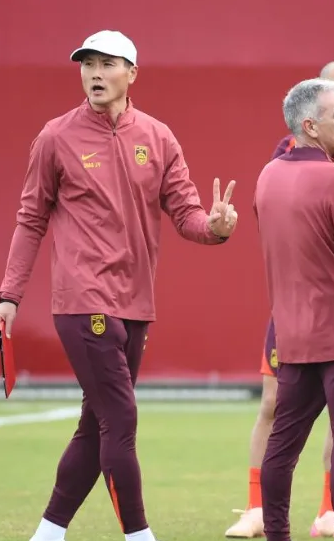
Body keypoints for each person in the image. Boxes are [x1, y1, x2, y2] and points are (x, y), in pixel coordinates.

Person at [0, 30, 238, 541]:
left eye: (107, 64)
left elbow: (187, 214)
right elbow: (30, 218)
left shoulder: (158, 136)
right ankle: (139, 535)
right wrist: (9, 294)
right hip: (82, 299)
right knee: (121, 419)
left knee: (97, 424)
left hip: (136, 304)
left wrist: (216, 227)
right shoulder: (55, 137)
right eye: (87, 64)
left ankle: (47, 533)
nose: (95, 73)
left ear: (132, 73)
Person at [226, 59, 334, 539]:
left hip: (292, 335)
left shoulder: (268, 175)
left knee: (282, 445)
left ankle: (276, 532)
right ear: (311, 126)